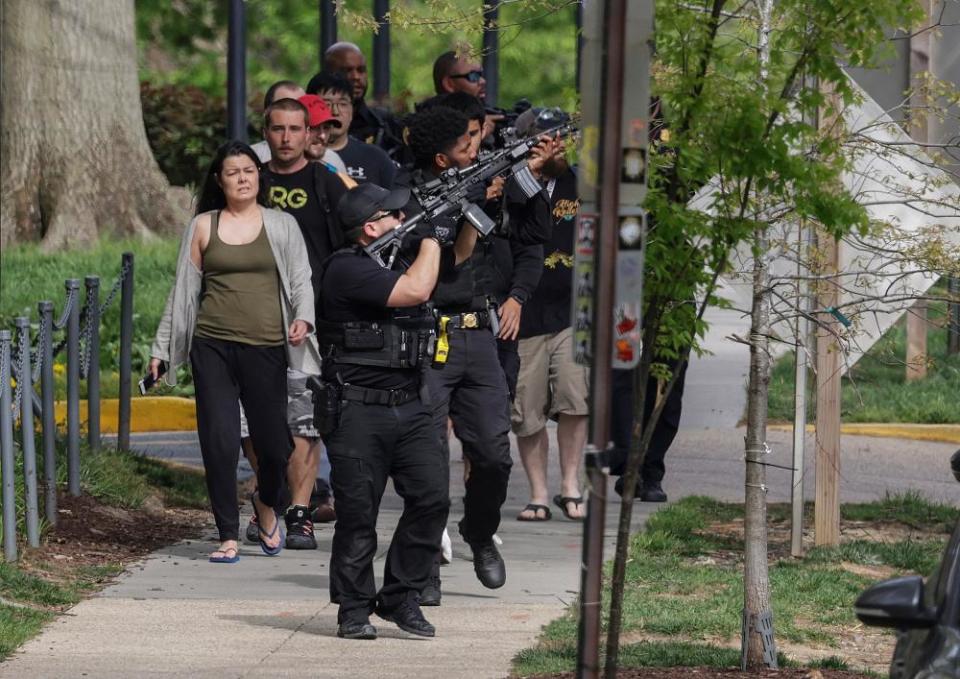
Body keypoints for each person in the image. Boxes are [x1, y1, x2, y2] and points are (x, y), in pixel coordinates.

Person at [402, 105, 554, 602]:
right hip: (429, 335)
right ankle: (424, 564)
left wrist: (525, 183)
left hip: (478, 337)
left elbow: (532, 237)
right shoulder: (411, 197)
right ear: (443, 157)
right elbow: (446, 263)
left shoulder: (480, 184)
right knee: (425, 463)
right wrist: (471, 204)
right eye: (468, 143)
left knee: (492, 454)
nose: (477, 148)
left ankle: (480, 531)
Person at [315, 182, 476, 640]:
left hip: (412, 403)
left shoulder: (397, 257)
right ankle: (353, 609)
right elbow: (415, 289)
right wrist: (427, 235)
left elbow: (453, 265)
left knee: (432, 501)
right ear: (370, 228)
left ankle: (401, 596)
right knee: (358, 515)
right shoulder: (346, 269)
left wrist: (451, 225)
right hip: (358, 411)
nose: (402, 221)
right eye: (394, 216)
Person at [149, 140, 318, 563]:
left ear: (258, 176)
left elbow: (301, 279)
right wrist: (162, 348)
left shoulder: (282, 225)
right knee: (220, 441)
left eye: (248, 170)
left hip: (266, 347)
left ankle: (266, 502)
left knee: (276, 446)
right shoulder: (204, 225)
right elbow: (183, 293)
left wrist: (304, 319)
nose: (242, 178)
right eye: (233, 172)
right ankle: (226, 533)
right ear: (219, 181)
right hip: (213, 346)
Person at [240, 96, 349, 550]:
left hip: (312, 323)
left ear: (310, 134)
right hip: (252, 320)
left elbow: (354, 244)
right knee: (254, 424)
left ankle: (300, 512)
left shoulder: (327, 184)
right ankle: (270, 498)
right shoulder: (250, 182)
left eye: (295, 129)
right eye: (277, 129)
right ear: (265, 133)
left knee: (307, 421)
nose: (286, 138)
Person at [510, 108, 588, 522]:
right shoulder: (514, 185)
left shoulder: (581, 185)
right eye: (544, 136)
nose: (553, 144)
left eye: (561, 136)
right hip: (524, 316)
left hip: (573, 312)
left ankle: (569, 485)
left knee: (576, 401)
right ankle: (538, 493)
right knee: (528, 409)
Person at [306, 72, 397, 188]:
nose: (335, 112)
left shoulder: (376, 158)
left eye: (343, 104)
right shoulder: (297, 157)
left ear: (352, 110)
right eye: (326, 104)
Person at [323, 41, 405, 158]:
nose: (356, 77)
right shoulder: (310, 125)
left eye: (361, 70)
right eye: (347, 71)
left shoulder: (384, 125)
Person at [251, 80, 347, 174]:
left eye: (326, 128)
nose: (322, 135)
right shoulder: (253, 158)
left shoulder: (332, 163)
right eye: (314, 127)